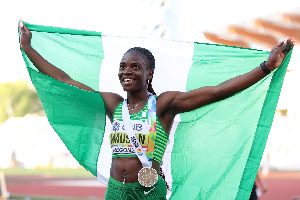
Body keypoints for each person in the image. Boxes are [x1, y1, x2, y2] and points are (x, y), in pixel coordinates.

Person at [19, 21, 295, 199]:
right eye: (123, 66)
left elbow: (214, 92)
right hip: (116, 191)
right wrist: (29, 49)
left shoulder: (164, 104)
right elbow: (66, 80)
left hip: (148, 190)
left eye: (135, 67)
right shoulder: (113, 103)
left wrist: (265, 67)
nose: (127, 71)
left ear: (149, 74)